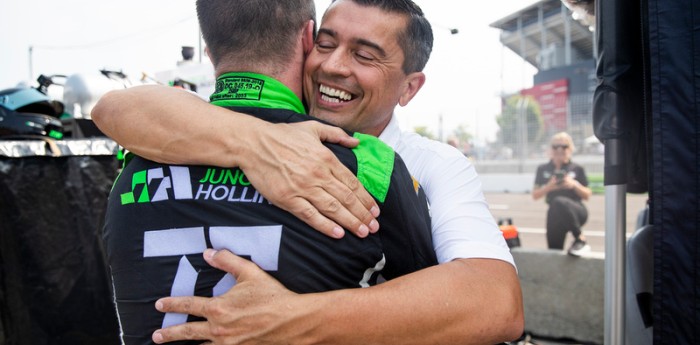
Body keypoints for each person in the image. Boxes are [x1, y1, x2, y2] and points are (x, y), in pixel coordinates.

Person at [92, 0, 524, 343]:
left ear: (409, 87)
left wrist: (289, 319)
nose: (334, 66)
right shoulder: (187, 132)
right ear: (305, 40)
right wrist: (257, 145)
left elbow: (495, 304)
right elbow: (112, 108)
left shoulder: (431, 163)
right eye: (326, 43)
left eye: (365, 55)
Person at [532, 131, 593, 256]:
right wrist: (549, 187)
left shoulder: (577, 168)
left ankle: (580, 239)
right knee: (554, 251)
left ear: (570, 149)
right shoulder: (542, 169)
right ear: (550, 149)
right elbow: (535, 195)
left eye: (564, 146)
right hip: (555, 214)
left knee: (559, 201)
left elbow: (587, 195)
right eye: (555, 146)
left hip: (576, 210)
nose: (559, 150)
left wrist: (574, 184)